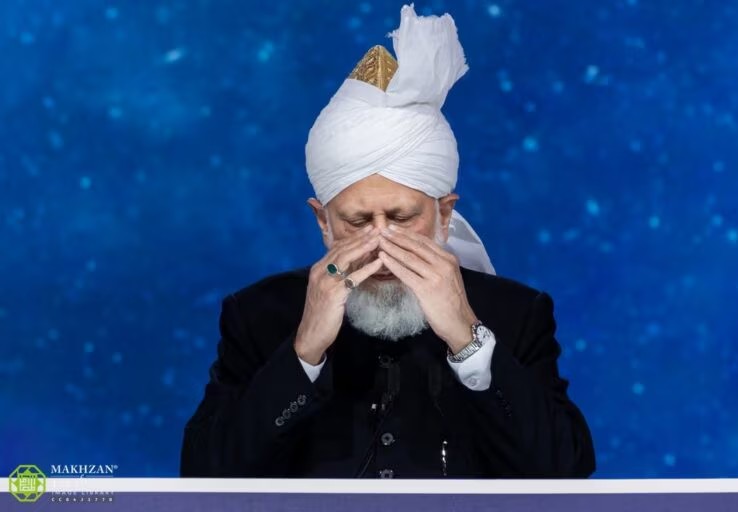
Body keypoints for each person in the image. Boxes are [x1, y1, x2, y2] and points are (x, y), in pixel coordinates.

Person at [181, 4, 595, 478]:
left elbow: (565, 470)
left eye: (401, 218)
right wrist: (303, 352)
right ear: (323, 222)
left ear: (443, 214)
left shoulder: (516, 316)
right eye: (357, 221)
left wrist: (469, 340)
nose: (380, 242)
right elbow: (202, 475)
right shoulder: (258, 315)